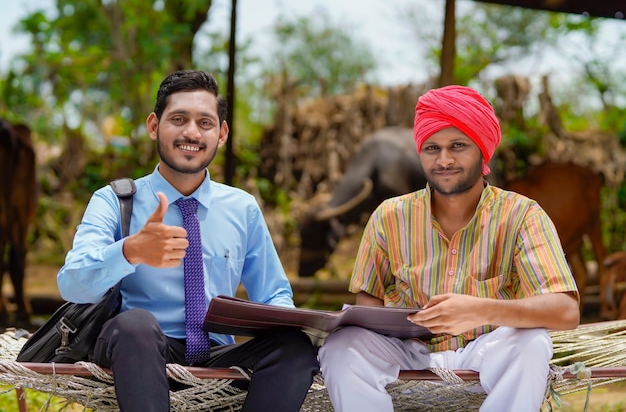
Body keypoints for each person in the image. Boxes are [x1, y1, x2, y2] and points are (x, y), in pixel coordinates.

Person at [57, 69, 319, 412]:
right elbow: (71, 283)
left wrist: (298, 321)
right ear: (154, 126)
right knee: (136, 324)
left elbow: (273, 294)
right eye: (178, 119)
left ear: (221, 134)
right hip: (136, 349)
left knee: (294, 345)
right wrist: (131, 250)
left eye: (205, 123)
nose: (191, 133)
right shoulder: (114, 200)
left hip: (216, 352)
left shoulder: (243, 208)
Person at [318, 85, 580, 412]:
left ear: (483, 150)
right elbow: (366, 307)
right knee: (342, 346)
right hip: (406, 350)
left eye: (458, 146)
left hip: (488, 347)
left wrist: (480, 310)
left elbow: (566, 311)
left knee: (532, 343)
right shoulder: (388, 216)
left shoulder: (522, 214)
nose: (444, 160)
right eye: (431, 148)